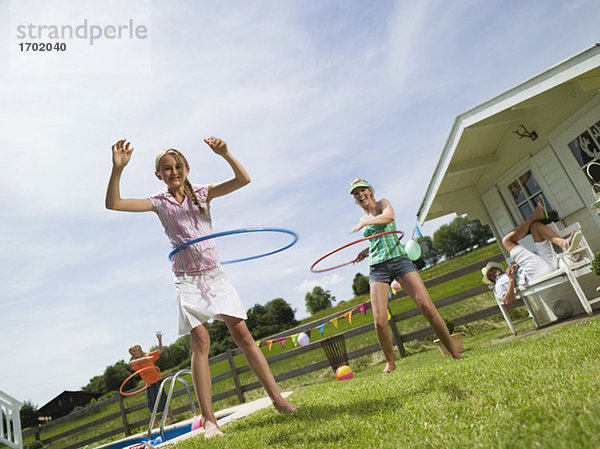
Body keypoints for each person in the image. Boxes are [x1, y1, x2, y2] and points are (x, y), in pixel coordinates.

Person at [106, 137, 299, 439]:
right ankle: (210, 420)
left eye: (177, 166)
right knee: (201, 340)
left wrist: (225, 153)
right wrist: (117, 169)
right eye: (166, 169)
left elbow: (243, 179)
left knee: (243, 334)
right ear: (159, 175)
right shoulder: (159, 202)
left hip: (214, 275)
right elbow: (114, 203)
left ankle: (278, 400)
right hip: (187, 279)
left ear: (186, 168)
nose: (173, 172)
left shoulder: (202, 193)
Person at [349, 179, 464, 373]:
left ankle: (454, 352)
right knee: (379, 320)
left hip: (399, 259)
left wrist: (367, 221)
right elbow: (378, 240)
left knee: (426, 307)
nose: (360, 195)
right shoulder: (362, 220)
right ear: (355, 199)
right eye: (356, 193)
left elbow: (388, 218)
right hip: (377, 266)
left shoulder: (382, 204)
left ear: (370, 191)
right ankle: (390, 363)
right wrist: (365, 251)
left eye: (362, 191)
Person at [481, 202, 582, 307]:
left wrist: (517, 265)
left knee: (536, 227)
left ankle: (564, 244)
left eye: (491, 270)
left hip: (548, 264)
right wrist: (511, 280)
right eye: (490, 276)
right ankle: (535, 216)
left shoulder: (510, 270)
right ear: (492, 280)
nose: (492, 273)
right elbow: (507, 301)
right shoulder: (498, 285)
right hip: (536, 274)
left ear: (498, 268)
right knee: (506, 241)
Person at [128, 331, 175, 428]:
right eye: (131, 352)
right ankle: (155, 423)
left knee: (163, 399)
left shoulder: (148, 356)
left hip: (157, 381)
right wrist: (145, 359)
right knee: (151, 403)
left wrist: (160, 339)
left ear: (139, 350)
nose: (133, 353)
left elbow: (160, 350)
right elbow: (131, 364)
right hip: (149, 384)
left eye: (134, 351)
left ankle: (171, 418)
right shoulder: (135, 362)